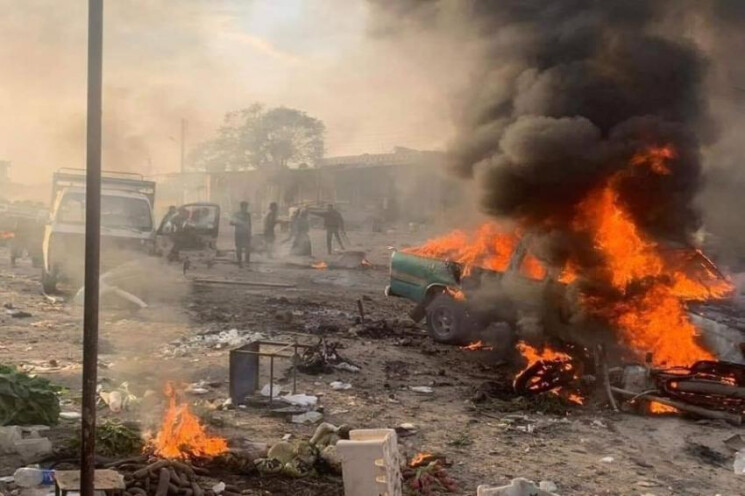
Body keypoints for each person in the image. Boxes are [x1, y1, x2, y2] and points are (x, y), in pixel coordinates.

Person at [230, 201, 252, 267]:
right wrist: (238, 223)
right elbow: (231, 222)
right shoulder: (236, 214)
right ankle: (239, 261)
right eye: (245, 207)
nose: (246, 208)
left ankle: (247, 262)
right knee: (239, 247)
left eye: (246, 207)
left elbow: (250, 224)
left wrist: (250, 232)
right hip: (239, 233)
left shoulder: (248, 215)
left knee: (247, 247)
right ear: (241, 207)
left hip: (246, 233)